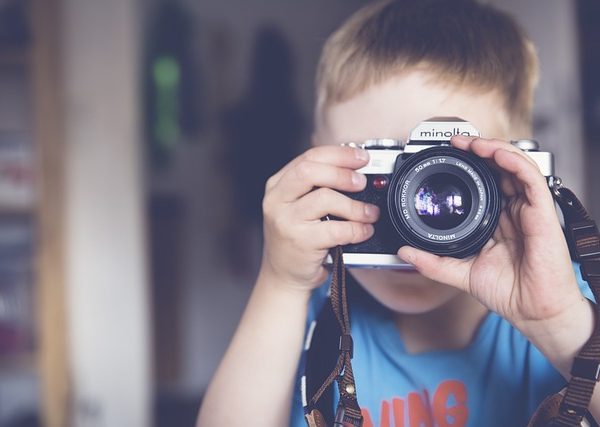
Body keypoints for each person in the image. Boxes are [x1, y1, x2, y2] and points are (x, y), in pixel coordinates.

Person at [197, 1, 599, 426]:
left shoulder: (562, 304)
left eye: (449, 173)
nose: (412, 219)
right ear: (318, 161)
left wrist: (562, 330)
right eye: (382, 172)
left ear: (518, 167)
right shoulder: (309, 315)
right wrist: (280, 283)